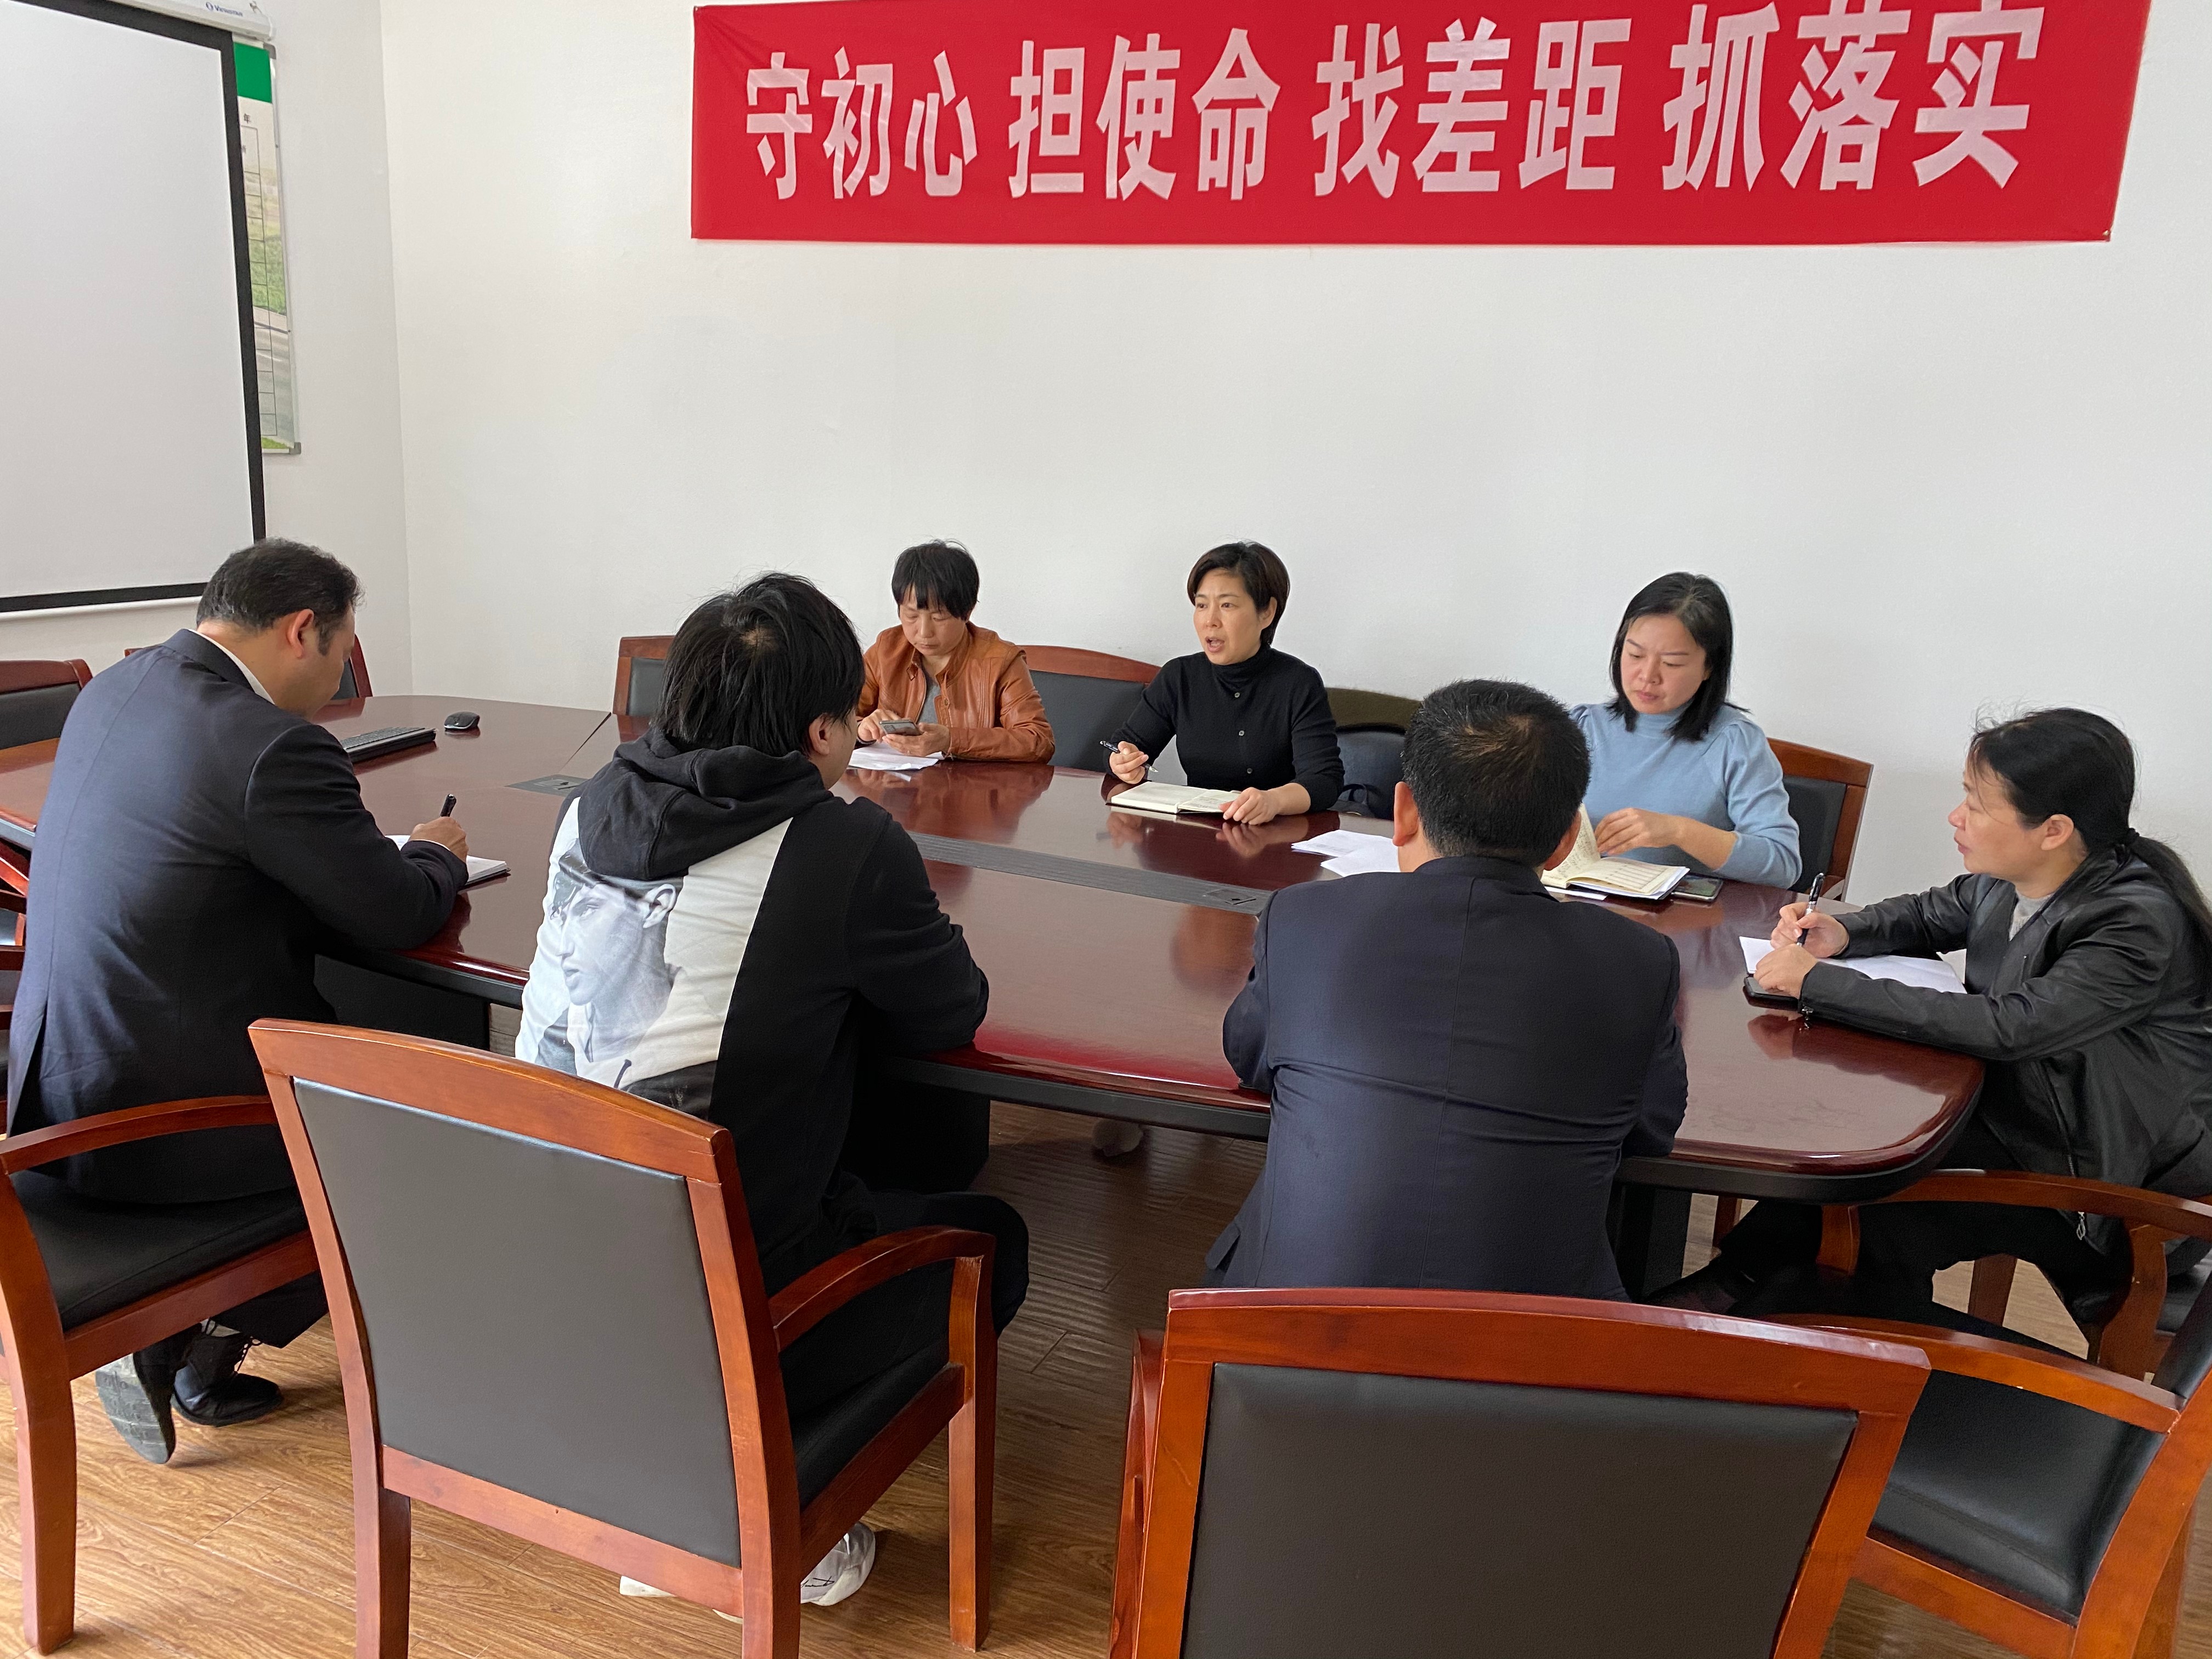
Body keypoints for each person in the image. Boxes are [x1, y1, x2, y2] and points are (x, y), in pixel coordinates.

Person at [518, 572, 1029, 1611]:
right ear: (822, 732)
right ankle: (756, 1507)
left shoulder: (587, 808)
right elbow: (950, 1010)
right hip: (721, 1308)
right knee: (993, 1239)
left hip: (546, 1268)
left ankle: (673, 1468)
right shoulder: (843, 844)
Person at [8, 539, 470, 1463]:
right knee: (419, 1124)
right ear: (302, 630)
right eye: (342, 649)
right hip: (164, 1127)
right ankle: (197, 1338)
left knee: (358, 1034)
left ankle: (190, 1339)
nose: (339, 677)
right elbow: (396, 910)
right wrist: (435, 850)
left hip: (55, 1089)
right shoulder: (270, 745)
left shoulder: (116, 690)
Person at [1662, 708, 2212, 1325]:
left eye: (1976, 804)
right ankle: (1734, 1300)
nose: (1956, 816)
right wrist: (1842, 932)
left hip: (2110, 1186)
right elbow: (1929, 914)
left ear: (2054, 830)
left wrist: (1818, 982)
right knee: (1849, 1158)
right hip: (2024, 1121)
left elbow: (2011, 1026)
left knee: (1879, 1213)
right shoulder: (2015, 879)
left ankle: (1829, 1350)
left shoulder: (2134, 921)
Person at [1203, 679, 1688, 1297]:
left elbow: (1249, 1056)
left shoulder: (1302, 920)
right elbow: (1652, 1128)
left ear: (1404, 812)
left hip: (1277, 1335)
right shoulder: (1638, 963)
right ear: (1568, 840)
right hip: (1535, 1350)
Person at [1096, 541, 1343, 1158]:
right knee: (1149, 975)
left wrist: (1275, 799)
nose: (1209, 620)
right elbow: (1130, 745)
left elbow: (1323, 780)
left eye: (1227, 605)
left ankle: (1246, 1097)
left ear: (1267, 611)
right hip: (1200, 857)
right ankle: (1137, 1093)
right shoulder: (1180, 677)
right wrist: (1126, 762)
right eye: (1201, 604)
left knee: (1246, 978)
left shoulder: (1298, 683)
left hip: (1275, 863)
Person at [1571, 573, 1799, 888]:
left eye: (1672, 663)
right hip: (1576, 906)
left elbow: (1782, 865)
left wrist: (1679, 831)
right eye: (1635, 654)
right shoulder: (1581, 726)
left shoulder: (1735, 743)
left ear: (1709, 667)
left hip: (1680, 916)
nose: (1648, 676)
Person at [855, 539, 1054, 762]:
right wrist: (861, 730)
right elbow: (835, 722)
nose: (924, 632)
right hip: (894, 781)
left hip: (971, 784)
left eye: (939, 617)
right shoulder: (886, 651)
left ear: (967, 612)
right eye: (911, 616)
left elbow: (1038, 741)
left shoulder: (1000, 661)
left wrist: (952, 740)